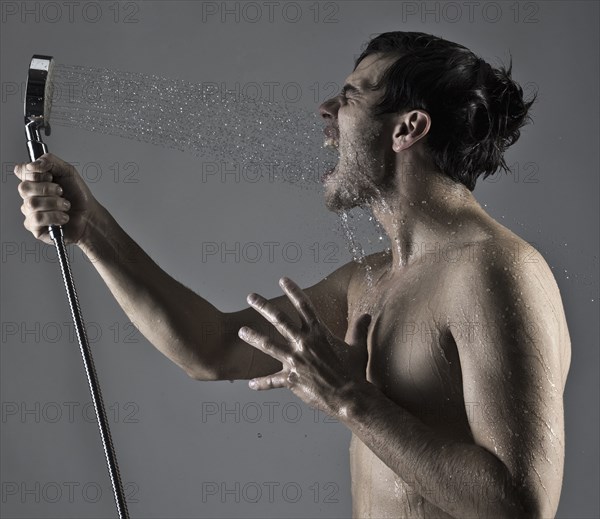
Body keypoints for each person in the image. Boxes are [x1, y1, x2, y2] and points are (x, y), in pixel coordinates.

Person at [14, 32, 570, 518]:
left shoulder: (498, 272)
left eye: (351, 97)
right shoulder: (369, 281)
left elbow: (523, 505)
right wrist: (91, 228)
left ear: (409, 128)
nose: (326, 110)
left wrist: (352, 399)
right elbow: (210, 351)